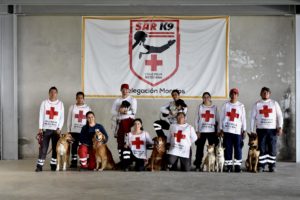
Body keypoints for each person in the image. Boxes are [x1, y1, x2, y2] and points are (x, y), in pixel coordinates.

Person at [250, 87, 283, 172]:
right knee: (261, 148)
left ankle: (272, 166)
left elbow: (279, 116)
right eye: (263, 92)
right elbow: (252, 118)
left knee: (272, 148)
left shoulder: (274, 103)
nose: (265, 94)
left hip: (272, 130)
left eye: (267, 92)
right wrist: (252, 130)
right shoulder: (257, 104)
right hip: (260, 130)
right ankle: (261, 166)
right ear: (260, 94)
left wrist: (280, 127)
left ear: (269, 94)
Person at [35, 86, 64, 172]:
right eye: (51, 92)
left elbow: (62, 117)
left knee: (55, 148)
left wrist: (59, 128)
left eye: (54, 92)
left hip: (56, 130)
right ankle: (39, 166)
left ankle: (53, 164)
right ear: (49, 93)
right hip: (45, 129)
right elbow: (41, 115)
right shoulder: (44, 103)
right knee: (43, 148)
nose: (53, 94)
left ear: (57, 94)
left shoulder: (60, 104)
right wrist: (40, 128)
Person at [219, 88, 246, 173]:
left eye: (235, 94)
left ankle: (237, 166)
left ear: (237, 95)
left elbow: (243, 119)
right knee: (228, 149)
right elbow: (221, 118)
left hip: (237, 131)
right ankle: (228, 166)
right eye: (232, 94)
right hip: (227, 130)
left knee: (238, 149)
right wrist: (221, 129)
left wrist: (244, 130)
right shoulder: (226, 105)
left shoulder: (241, 106)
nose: (234, 95)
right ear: (230, 95)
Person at [111, 83, 137, 160]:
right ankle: (121, 159)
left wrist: (125, 112)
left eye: (126, 90)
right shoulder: (117, 100)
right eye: (123, 90)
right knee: (120, 140)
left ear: (128, 90)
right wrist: (119, 111)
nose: (125, 91)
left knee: (128, 140)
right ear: (121, 90)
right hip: (120, 121)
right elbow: (112, 111)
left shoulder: (132, 99)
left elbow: (134, 111)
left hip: (129, 122)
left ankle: (128, 160)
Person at [194, 92, 219, 171]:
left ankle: (214, 165)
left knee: (214, 149)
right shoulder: (200, 107)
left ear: (210, 98)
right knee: (199, 149)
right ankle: (198, 165)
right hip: (202, 131)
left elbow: (218, 119)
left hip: (212, 131)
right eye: (204, 97)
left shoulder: (214, 107)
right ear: (202, 98)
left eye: (207, 97)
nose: (206, 98)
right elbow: (196, 119)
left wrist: (218, 130)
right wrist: (197, 131)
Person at [67, 91, 91, 168]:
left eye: (81, 98)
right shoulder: (72, 107)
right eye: (78, 98)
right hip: (74, 130)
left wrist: (89, 129)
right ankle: (73, 162)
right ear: (76, 98)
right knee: (74, 146)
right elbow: (69, 119)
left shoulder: (87, 108)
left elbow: (89, 119)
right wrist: (68, 131)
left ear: (83, 99)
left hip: (84, 131)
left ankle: (83, 161)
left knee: (83, 146)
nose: (80, 99)